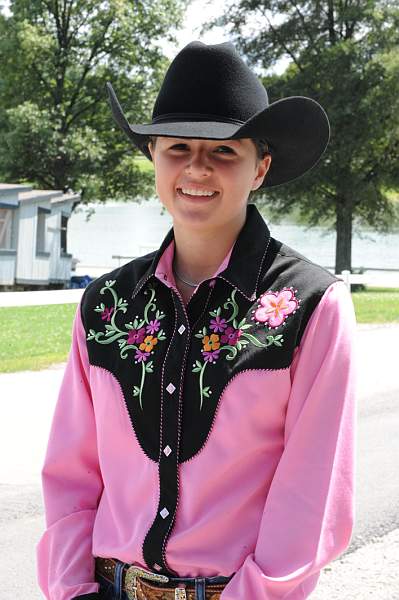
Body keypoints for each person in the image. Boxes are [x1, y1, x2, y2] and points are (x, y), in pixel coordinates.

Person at [36, 41, 357, 600]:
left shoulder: (311, 306)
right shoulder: (106, 305)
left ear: (261, 167)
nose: (197, 167)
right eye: (178, 147)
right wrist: (70, 591)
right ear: (154, 157)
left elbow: (310, 500)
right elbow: (71, 476)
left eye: (224, 151)